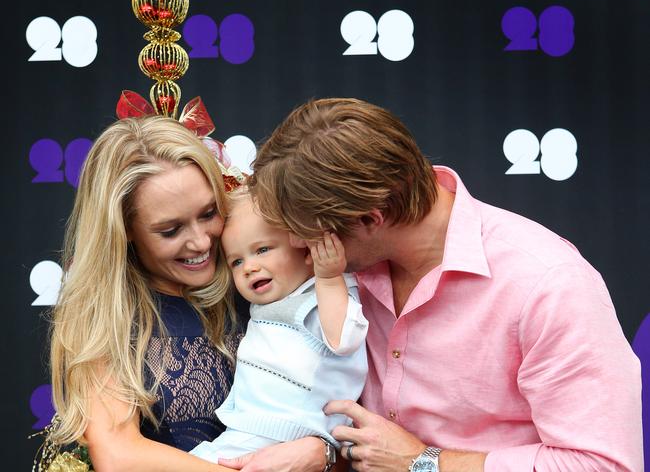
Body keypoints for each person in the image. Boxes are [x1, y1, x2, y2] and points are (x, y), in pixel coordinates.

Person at [241, 98, 644, 472]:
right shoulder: (337, 270)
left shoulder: (545, 284)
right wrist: (325, 450)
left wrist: (424, 462)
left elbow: (601, 463)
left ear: (370, 219)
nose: (295, 245)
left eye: (307, 231)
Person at [47, 116, 330, 472]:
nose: (200, 241)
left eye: (209, 213)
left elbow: (340, 384)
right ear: (124, 230)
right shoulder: (103, 314)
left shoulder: (262, 278)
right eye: (170, 230)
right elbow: (119, 457)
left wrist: (325, 452)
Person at [190, 188, 368, 465]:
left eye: (262, 250)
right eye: (237, 261)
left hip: (287, 430)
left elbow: (344, 338)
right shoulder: (280, 296)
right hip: (258, 430)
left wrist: (330, 278)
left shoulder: (323, 294)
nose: (249, 267)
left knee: (199, 463)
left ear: (307, 249)